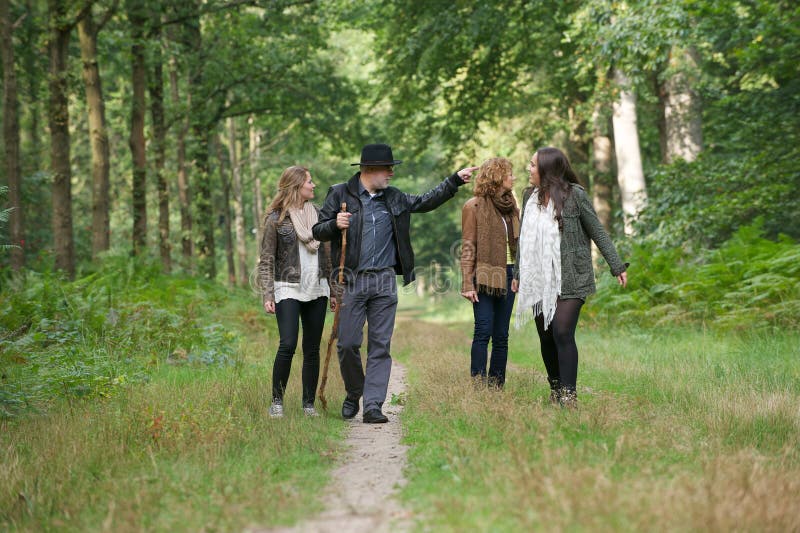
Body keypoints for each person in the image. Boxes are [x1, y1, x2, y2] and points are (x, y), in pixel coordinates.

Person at [313, 143, 478, 423]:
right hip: (351, 280)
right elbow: (319, 230)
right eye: (387, 168)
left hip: (384, 281)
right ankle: (355, 392)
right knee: (348, 344)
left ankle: (374, 405)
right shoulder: (340, 193)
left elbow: (425, 202)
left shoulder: (394, 197)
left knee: (380, 344)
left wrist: (454, 180)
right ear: (369, 169)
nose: (391, 173)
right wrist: (334, 224)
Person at [512, 147, 628, 408]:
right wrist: (518, 273)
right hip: (539, 278)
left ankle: (568, 395)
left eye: (532, 165)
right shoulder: (529, 196)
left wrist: (617, 265)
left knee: (562, 332)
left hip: (572, 276)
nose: (528, 170)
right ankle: (555, 388)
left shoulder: (575, 195)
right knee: (545, 335)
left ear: (547, 169)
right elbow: (524, 241)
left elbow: (597, 230)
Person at [258, 165, 336, 418]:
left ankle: (308, 405)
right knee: (288, 344)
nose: (313, 186)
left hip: (318, 286)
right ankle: (277, 402)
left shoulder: (322, 216)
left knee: (312, 348)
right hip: (287, 287)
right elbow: (267, 258)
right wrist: (268, 294)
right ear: (296, 186)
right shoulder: (276, 219)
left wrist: (335, 290)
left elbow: (331, 256)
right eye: (309, 182)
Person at [460, 157, 520, 388]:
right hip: (484, 276)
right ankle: (478, 384)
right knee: (483, 329)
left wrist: (519, 275)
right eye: (509, 174)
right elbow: (468, 246)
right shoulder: (473, 206)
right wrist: (467, 282)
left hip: (509, 274)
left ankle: (496, 386)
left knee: (502, 335)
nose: (512, 178)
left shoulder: (511, 206)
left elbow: (518, 244)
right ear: (497, 177)